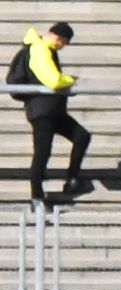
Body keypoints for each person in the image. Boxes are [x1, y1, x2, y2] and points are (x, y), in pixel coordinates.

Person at [9, 22, 89, 206]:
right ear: (59, 38)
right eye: (65, 43)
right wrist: (70, 80)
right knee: (42, 152)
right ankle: (36, 196)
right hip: (42, 111)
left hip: (53, 110)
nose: (63, 47)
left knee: (82, 136)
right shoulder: (40, 48)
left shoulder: (44, 48)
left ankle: (72, 180)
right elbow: (53, 80)